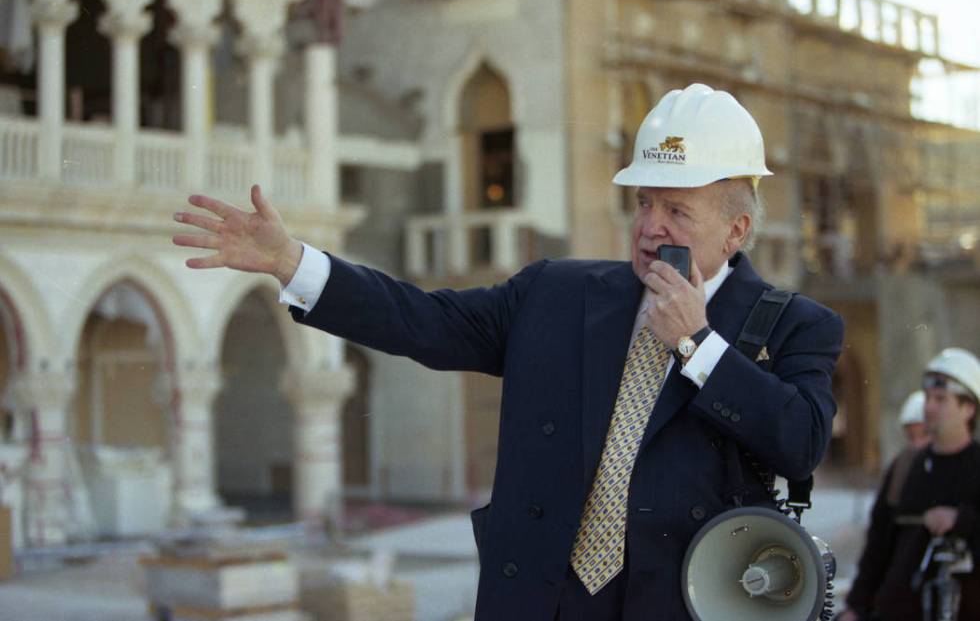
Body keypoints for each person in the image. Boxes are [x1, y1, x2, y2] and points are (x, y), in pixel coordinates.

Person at [173, 83, 843, 621]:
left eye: (676, 211)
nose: (649, 227)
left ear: (737, 229)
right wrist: (294, 263)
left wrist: (698, 344)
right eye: (643, 204)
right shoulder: (557, 293)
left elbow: (799, 440)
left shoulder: (791, 326)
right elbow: (422, 319)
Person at [839, 348, 980, 621]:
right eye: (928, 398)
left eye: (941, 399)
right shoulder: (905, 468)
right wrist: (856, 606)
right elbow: (878, 547)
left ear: (968, 408)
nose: (929, 407)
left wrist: (963, 520)